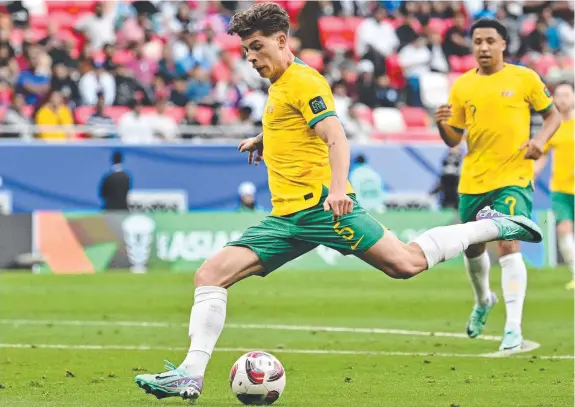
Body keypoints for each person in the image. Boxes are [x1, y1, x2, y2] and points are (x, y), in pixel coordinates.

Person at [135, 6, 544, 402]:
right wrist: (266, 140)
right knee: (210, 275)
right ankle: (190, 374)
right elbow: (296, 126)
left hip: (322, 209)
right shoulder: (280, 86)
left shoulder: (304, 81)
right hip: (286, 218)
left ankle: (497, 226)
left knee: (405, 264)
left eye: (257, 47)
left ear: (281, 40)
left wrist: (336, 190)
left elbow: (336, 136)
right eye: (246, 50)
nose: (250, 57)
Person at [434, 19, 561, 351]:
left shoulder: (524, 78)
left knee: (508, 241)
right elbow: (454, 139)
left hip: (513, 177)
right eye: (477, 42)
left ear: (504, 44)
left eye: (490, 41)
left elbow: (553, 116)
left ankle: (513, 328)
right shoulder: (462, 86)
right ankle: (483, 299)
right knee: (473, 249)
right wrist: (441, 125)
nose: (483, 47)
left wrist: (540, 142)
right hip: (474, 179)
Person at [535, 82, 574, 289]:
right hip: (560, 188)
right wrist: (532, 174)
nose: (562, 99)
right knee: (563, 229)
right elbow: (542, 155)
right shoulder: (553, 125)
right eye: (558, 95)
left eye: (566, 95)